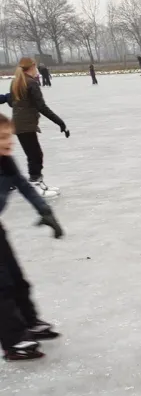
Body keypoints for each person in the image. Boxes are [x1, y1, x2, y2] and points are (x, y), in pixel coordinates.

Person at [0, 113, 64, 361]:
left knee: (17, 279)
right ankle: (13, 342)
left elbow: (25, 187)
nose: (10, 142)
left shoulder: (6, 162)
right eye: (3, 137)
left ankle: (30, 322)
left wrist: (45, 211)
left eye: (9, 136)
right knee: (1, 287)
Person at [9, 57, 68, 198]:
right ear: (32, 67)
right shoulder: (31, 83)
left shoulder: (16, 81)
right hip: (26, 125)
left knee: (34, 154)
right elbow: (41, 106)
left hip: (19, 124)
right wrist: (59, 122)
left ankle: (39, 183)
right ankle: (35, 184)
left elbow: (12, 102)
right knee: (35, 155)